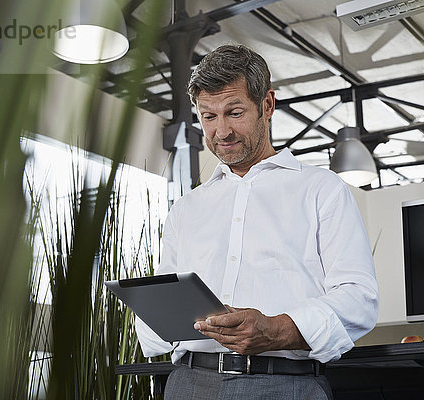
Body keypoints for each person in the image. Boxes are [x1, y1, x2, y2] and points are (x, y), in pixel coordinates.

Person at [136, 44, 379, 400]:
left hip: (286, 385)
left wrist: (277, 328)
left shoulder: (321, 189)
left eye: (234, 112)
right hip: (188, 384)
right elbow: (159, 319)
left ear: (267, 105)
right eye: (208, 116)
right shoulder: (186, 209)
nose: (221, 131)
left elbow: (359, 299)